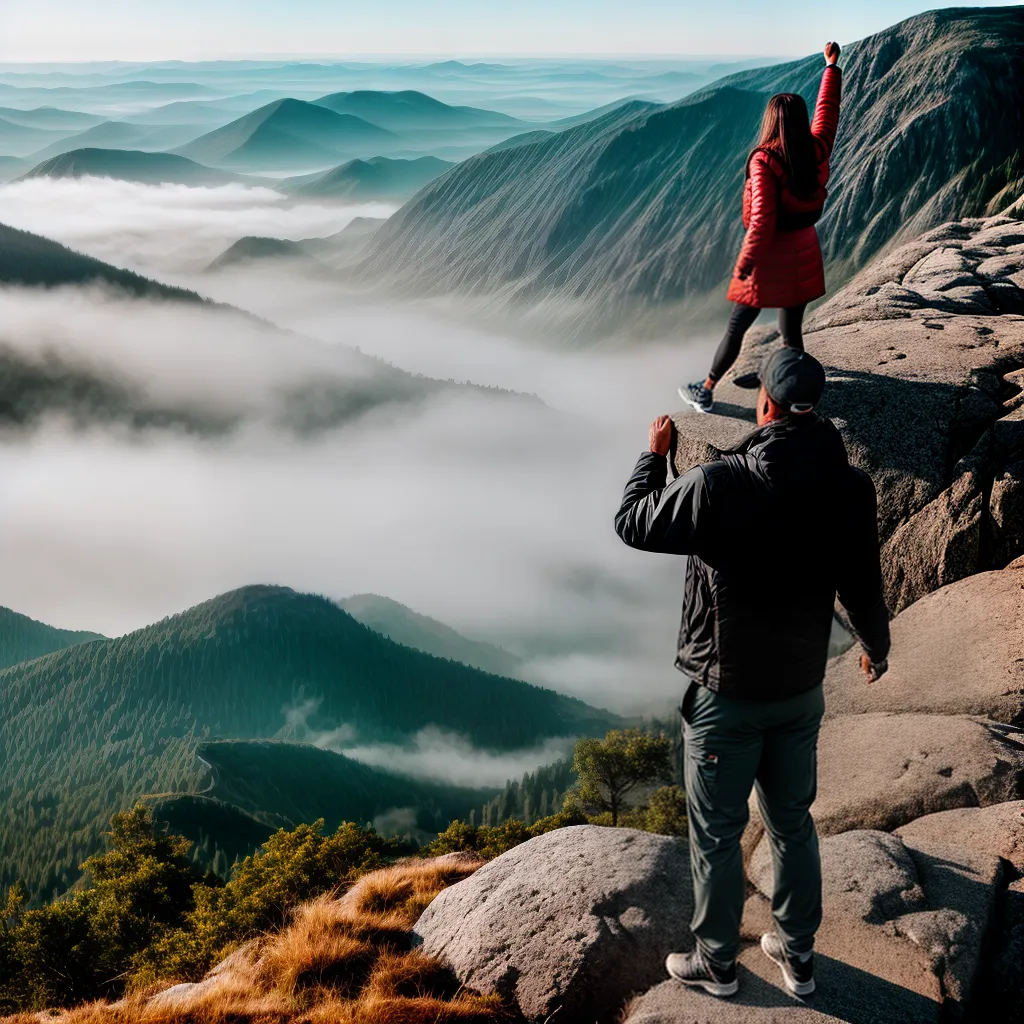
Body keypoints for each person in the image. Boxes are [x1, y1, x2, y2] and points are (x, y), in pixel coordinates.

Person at [615, 348, 890, 999]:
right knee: (793, 823)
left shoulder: (722, 484)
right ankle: (797, 958)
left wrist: (652, 456)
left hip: (726, 696)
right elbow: (863, 582)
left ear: (764, 403)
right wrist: (877, 647)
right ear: (812, 408)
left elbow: (632, 524)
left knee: (716, 836)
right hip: (799, 690)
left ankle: (717, 963)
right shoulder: (849, 488)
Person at [682, 42, 843, 415]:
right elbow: (828, 112)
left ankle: (706, 389)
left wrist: (744, 264)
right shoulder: (816, 149)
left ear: (770, 121)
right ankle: (797, 400)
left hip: (768, 257)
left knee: (737, 327)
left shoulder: (765, 161)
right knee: (791, 332)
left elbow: (762, 221)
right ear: (800, 122)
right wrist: (831, 68)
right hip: (804, 250)